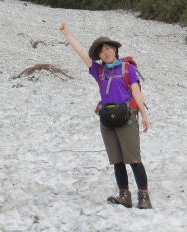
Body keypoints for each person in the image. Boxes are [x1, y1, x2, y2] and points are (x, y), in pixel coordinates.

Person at [59, 22, 152, 209]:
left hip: (127, 118)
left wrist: (143, 114)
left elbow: (136, 92)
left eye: (108, 48)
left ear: (115, 50)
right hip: (107, 120)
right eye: (102, 51)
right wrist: (67, 33)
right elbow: (82, 53)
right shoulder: (99, 71)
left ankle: (144, 197)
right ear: (99, 57)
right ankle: (124, 195)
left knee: (134, 159)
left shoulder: (127, 69)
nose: (106, 52)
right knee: (117, 160)